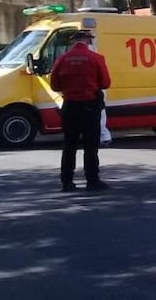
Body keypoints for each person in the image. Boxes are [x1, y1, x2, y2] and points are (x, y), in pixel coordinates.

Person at [50, 30, 112, 192]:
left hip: (70, 106)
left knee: (69, 145)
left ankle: (67, 182)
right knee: (90, 145)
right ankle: (92, 180)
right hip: (90, 107)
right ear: (88, 41)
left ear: (73, 42)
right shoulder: (96, 58)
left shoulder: (61, 59)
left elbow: (55, 86)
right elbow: (105, 83)